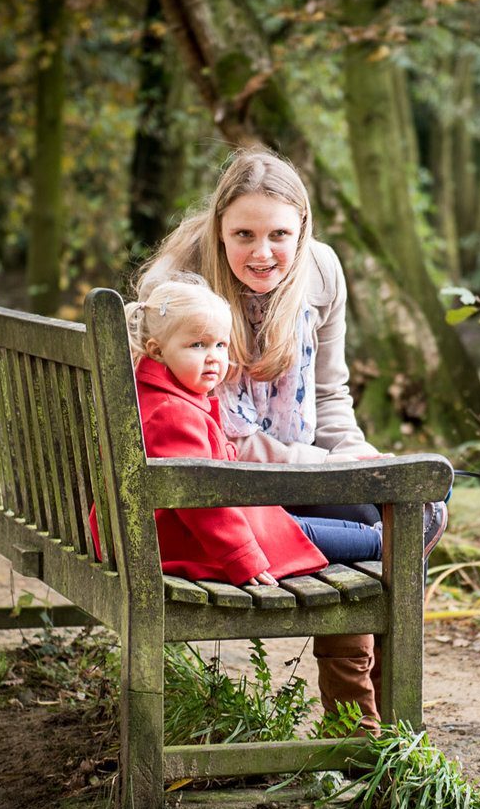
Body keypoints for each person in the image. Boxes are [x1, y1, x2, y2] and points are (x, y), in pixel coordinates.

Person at [143, 148, 447, 731]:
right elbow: (210, 434)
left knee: (407, 504)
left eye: (280, 234)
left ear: (303, 229)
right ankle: (359, 724)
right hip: (219, 488)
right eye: (244, 234)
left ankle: (373, 722)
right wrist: (322, 466)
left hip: (294, 467)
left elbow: (330, 393)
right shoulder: (179, 288)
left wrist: (352, 453)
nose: (263, 252)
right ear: (218, 229)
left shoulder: (321, 272)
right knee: (391, 527)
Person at [123, 277, 343, 585]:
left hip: (205, 530)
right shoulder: (171, 413)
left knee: (331, 530)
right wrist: (243, 558)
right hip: (191, 542)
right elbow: (198, 501)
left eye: (220, 345)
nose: (213, 356)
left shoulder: (170, 396)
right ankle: (392, 544)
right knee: (365, 542)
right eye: (197, 345)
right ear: (157, 351)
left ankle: (390, 539)